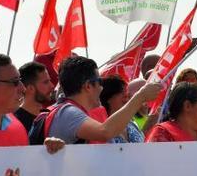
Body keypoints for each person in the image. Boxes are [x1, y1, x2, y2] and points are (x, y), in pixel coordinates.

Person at [29, 56, 161, 145]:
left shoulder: (66, 110)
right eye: (99, 81)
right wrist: (140, 96)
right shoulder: (68, 112)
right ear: (88, 86)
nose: (102, 87)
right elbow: (105, 132)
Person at [100, 76, 144, 143]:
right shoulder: (101, 128)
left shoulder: (132, 124)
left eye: (126, 94)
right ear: (108, 98)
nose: (126, 99)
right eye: (121, 93)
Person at [15, 62, 54, 133]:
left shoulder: (51, 116)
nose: (52, 86)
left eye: (50, 81)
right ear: (30, 88)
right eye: (46, 82)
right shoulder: (16, 121)